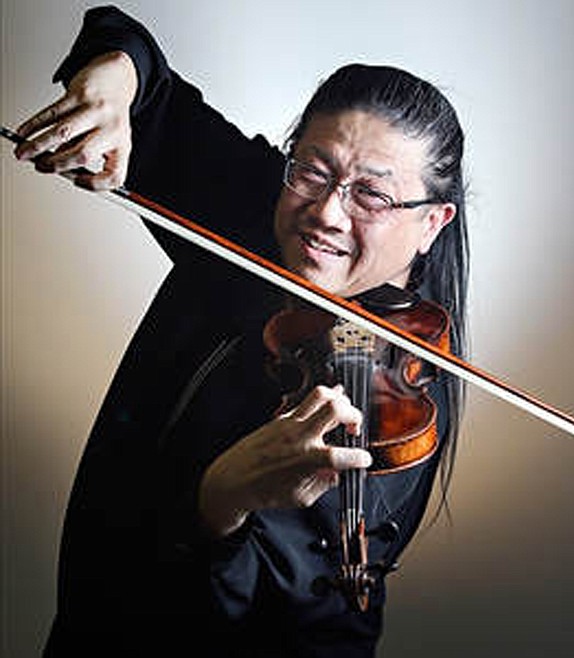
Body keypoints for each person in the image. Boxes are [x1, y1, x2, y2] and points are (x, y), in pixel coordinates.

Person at [13, 5, 469, 657]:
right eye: (312, 169)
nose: (327, 213)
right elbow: (140, 66)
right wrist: (115, 79)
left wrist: (218, 503)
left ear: (431, 222)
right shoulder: (261, 211)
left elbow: (285, 628)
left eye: (371, 195)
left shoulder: (386, 410)